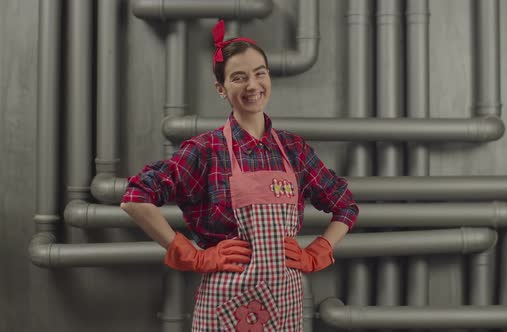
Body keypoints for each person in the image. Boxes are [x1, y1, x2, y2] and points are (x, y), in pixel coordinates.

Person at [120, 19, 358, 332]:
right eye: (238, 78)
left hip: (285, 308)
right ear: (221, 88)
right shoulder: (206, 150)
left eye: (260, 73)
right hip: (224, 307)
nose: (252, 85)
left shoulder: (293, 149)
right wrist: (192, 255)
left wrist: (319, 251)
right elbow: (136, 198)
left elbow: (346, 206)